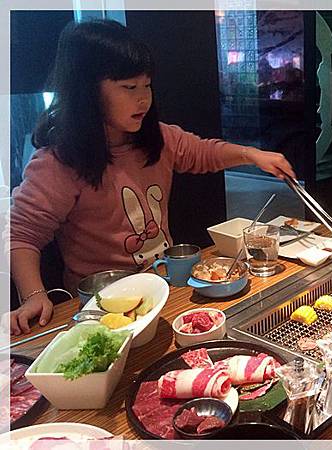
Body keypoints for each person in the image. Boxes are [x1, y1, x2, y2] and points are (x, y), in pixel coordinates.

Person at [10, 20, 296, 335]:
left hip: (163, 287)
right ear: (87, 91)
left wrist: (251, 155)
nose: (143, 99)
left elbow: (203, 152)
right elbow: (22, 235)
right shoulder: (58, 162)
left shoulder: (157, 138)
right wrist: (34, 295)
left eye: (146, 85)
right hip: (102, 310)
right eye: (129, 88)